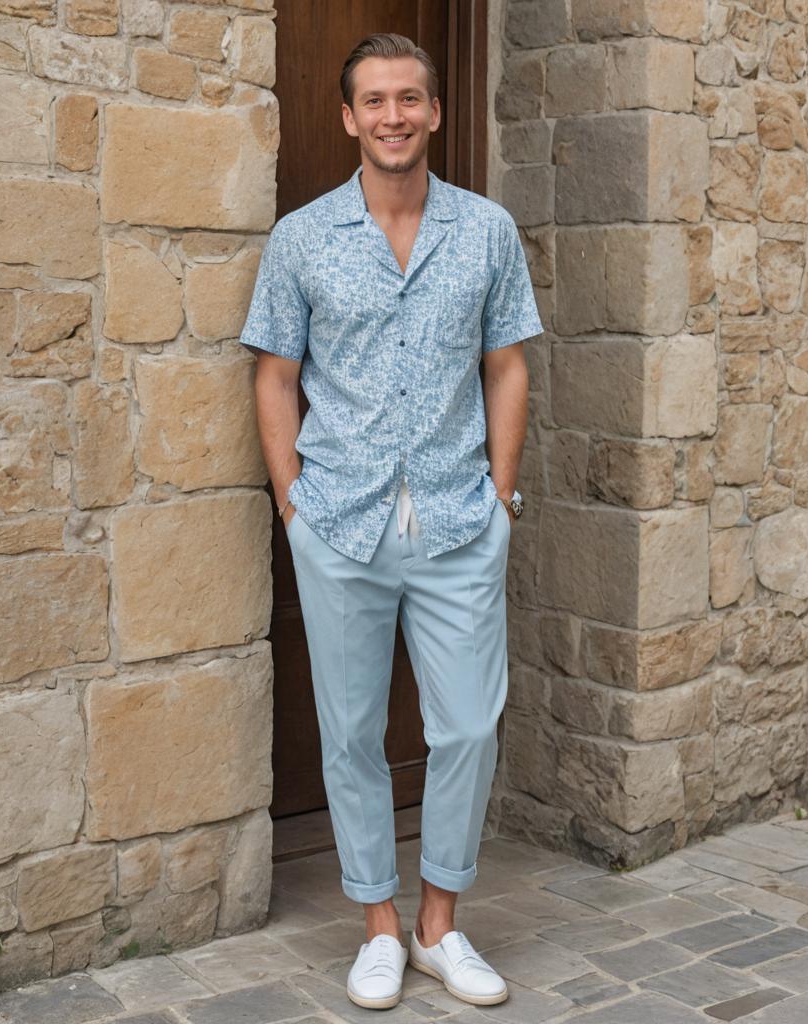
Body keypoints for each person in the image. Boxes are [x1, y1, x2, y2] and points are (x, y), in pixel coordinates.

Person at [240, 32, 542, 1011]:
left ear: (434, 111)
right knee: (350, 732)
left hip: (458, 517)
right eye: (374, 100)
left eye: (409, 97)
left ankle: (439, 925)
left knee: (465, 729)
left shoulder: (487, 231)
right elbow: (274, 375)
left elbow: (507, 362)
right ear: (348, 117)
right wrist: (294, 504)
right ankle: (377, 924)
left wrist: (501, 494)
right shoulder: (302, 239)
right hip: (339, 519)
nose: (394, 115)